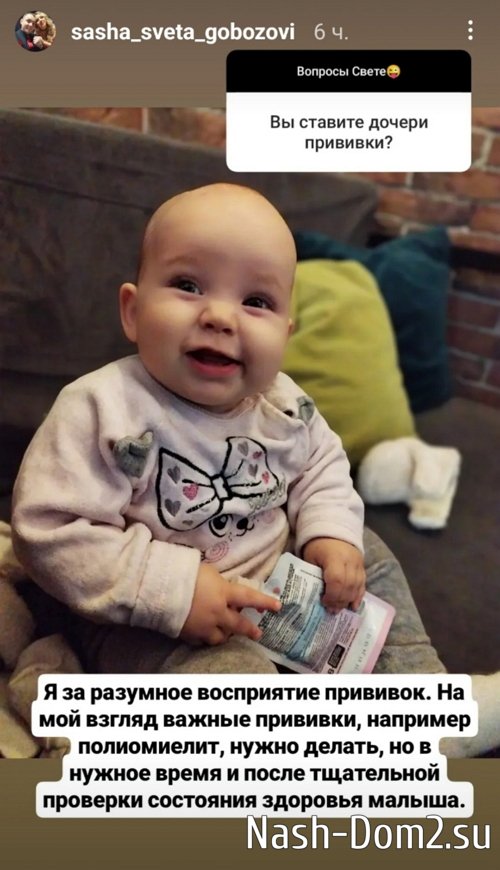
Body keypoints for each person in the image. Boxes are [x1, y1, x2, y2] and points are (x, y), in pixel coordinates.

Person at [12, 183, 365, 672]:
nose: (220, 316)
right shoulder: (102, 407)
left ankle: (425, 686)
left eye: (256, 300)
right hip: (147, 615)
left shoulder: (285, 404)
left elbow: (321, 465)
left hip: (278, 582)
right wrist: (172, 591)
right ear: (133, 311)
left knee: (365, 558)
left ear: (285, 335)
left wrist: (331, 535)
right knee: (234, 680)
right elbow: (48, 532)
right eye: (189, 285)